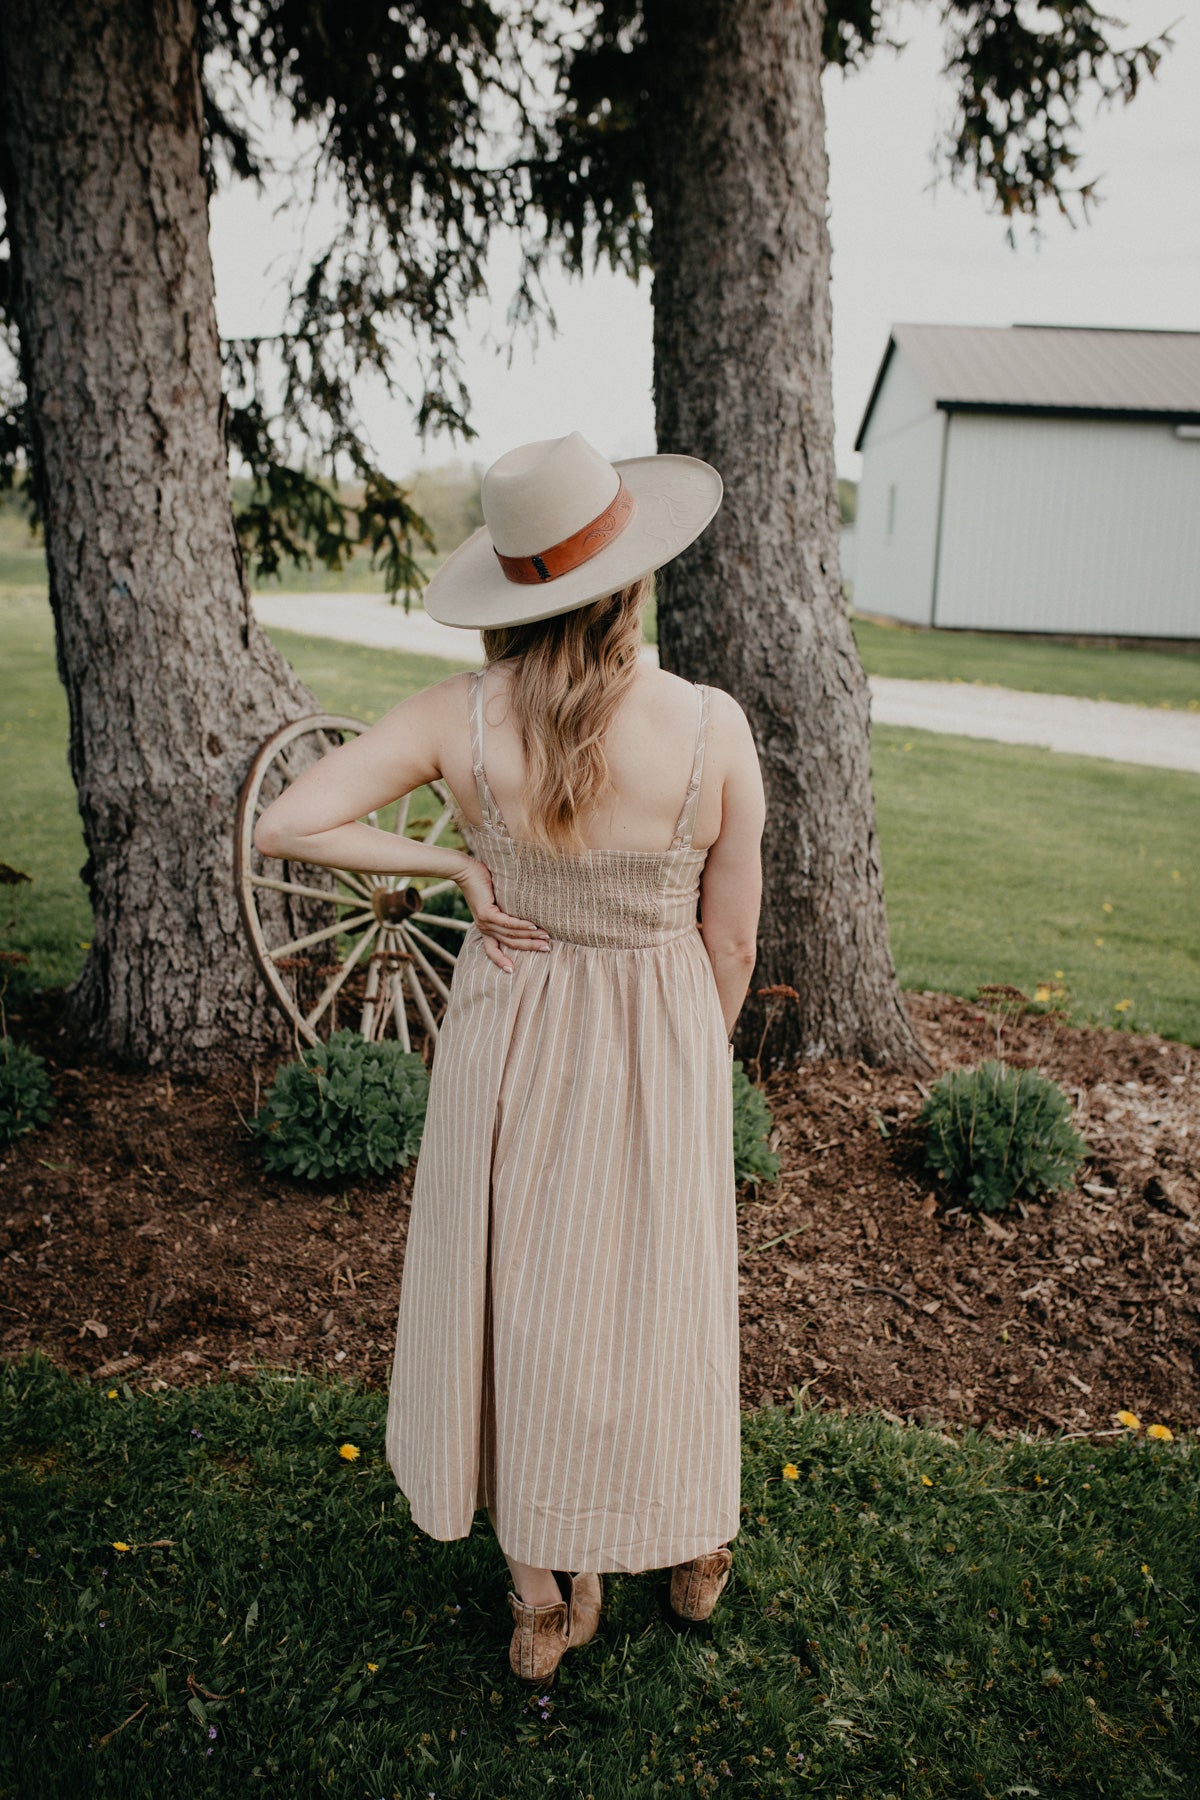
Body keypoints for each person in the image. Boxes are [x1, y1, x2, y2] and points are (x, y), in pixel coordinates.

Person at [254, 430, 766, 1685]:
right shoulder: (711, 728)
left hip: (512, 1031)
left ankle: (543, 1593)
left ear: (513, 592)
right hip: (664, 1031)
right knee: (663, 1294)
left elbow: (287, 819)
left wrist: (453, 866)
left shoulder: (459, 720)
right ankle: (693, 1548)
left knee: (519, 1295)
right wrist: (693, 1054)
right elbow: (735, 937)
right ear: (632, 582)